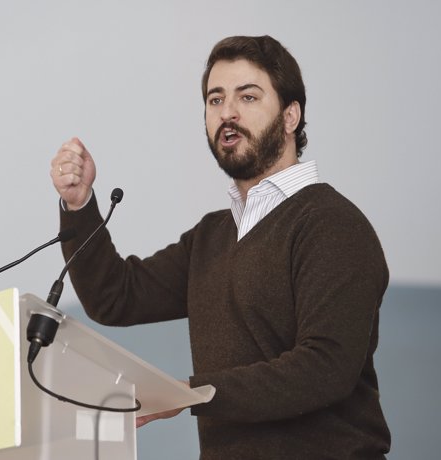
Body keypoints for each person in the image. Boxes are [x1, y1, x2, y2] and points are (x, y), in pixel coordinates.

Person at [49, 35, 390, 459]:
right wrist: (80, 204)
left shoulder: (332, 225)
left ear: (290, 116)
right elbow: (114, 297)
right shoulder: (212, 236)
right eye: (215, 100)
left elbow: (325, 368)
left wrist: (193, 393)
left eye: (248, 97)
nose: (227, 112)